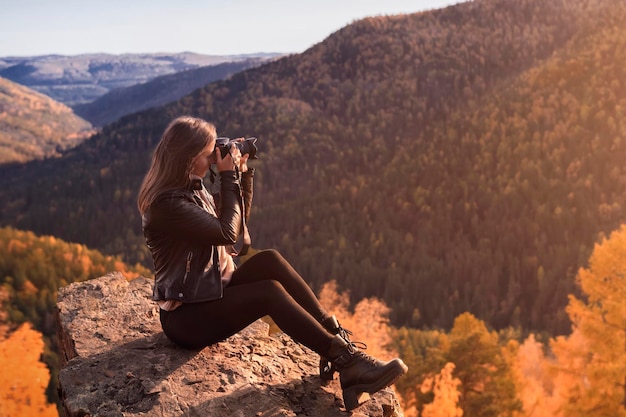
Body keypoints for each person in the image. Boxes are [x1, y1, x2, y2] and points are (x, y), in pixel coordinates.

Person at [137, 115, 407, 411]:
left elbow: (235, 232)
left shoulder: (192, 186)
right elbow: (226, 231)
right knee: (268, 293)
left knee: (270, 260)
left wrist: (241, 175)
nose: (215, 157)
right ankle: (347, 364)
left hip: (208, 292)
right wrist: (227, 176)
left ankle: (338, 343)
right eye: (209, 153)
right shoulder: (167, 205)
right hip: (186, 318)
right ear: (189, 159)